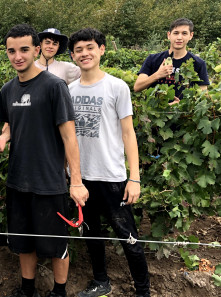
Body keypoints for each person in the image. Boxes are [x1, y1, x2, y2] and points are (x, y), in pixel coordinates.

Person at [0, 24, 89, 297]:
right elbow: (10, 126)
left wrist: (76, 181)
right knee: (23, 243)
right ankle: (27, 289)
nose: (17, 56)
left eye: (23, 49)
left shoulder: (54, 86)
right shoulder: (8, 90)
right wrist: (3, 138)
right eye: (11, 51)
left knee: (57, 245)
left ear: (36, 49)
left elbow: (69, 137)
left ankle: (59, 292)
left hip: (49, 182)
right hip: (18, 180)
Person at [67, 28, 151, 297]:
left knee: (129, 238)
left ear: (101, 49)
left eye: (90, 47)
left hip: (113, 178)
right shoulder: (68, 91)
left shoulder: (117, 87)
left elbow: (128, 134)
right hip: (81, 179)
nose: (84, 53)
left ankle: (143, 290)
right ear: (72, 56)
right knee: (92, 235)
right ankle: (101, 282)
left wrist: (134, 177)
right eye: (78, 50)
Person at [134, 18, 209, 104]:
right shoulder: (152, 59)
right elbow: (137, 87)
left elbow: (203, 97)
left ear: (191, 36)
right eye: (176, 33)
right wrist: (157, 75)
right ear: (169, 35)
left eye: (184, 33)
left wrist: (180, 105)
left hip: (183, 115)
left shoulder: (198, 63)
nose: (179, 37)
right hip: (154, 114)